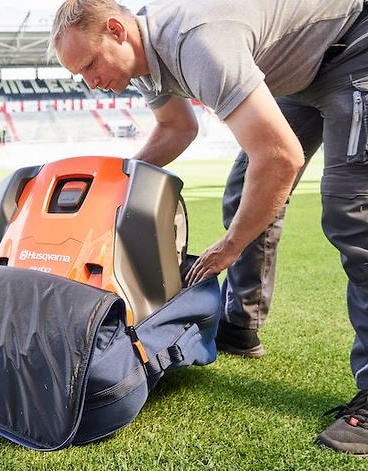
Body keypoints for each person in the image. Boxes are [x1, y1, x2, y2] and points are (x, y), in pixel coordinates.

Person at [49, 0, 368, 455]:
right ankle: (241, 326)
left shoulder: (196, 42)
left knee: (352, 213)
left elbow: (280, 158)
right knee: (246, 191)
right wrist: (109, 183)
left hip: (352, 46)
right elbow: (176, 128)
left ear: (118, 30)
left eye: (90, 65)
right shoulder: (143, 63)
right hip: (301, 74)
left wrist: (232, 244)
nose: (92, 82)